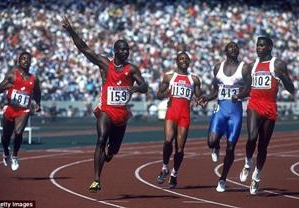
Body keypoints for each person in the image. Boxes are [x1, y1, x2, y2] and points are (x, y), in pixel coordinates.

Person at [62, 16, 148, 192]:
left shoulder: (131, 69)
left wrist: (136, 89)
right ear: (115, 51)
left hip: (121, 113)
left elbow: (145, 86)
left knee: (113, 151)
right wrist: (71, 31)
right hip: (106, 110)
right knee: (101, 139)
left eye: (128, 50)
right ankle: (96, 180)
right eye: (123, 50)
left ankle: (109, 152)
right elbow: (84, 49)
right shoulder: (104, 64)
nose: (126, 52)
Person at [239, 36, 295, 195]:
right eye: (257, 45)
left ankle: (256, 175)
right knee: (251, 137)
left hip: (270, 106)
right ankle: (248, 163)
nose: (258, 48)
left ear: (270, 47)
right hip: (254, 104)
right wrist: (237, 95)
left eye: (262, 45)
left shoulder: (277, 64)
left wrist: (282, 76)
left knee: (263, 145)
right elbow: (247, 88)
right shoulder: (251, 66)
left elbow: (291, 89)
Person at [199, 42, 251, 192]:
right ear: (225, 51)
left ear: (239, 51)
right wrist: (206, 98)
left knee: (230, 148)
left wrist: (239, 95)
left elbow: (249, 88)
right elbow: (215, 90)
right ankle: (215, 147)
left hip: (235, 112)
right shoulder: (217, 68)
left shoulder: (244, 68)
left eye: (236, 47)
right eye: (230, 47)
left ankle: (222, 179)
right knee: (211, 141)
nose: (233, 49)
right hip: (221, 110)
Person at [156, 52, 202, 189]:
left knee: (180, 149)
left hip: (184, 116)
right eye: (181, 59)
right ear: (176, 61)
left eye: (186, 59)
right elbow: (158, 94)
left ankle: (174, 174)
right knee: (168, 140)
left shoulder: (194, 79)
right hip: (172, 113)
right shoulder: (169, 77)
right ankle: (164, 167)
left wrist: (201, 100)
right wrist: (165, 94)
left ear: (189, 62)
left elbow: (199, 96)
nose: (184, 61)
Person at [0, 51, 41, 171]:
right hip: (10, 108)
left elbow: (38, 93)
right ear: (19, 61)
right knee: (5, 137)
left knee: (18, 132)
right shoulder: (12, 75)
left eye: (28, 59)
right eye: (23, 59)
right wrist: (6, 87)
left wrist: (37, 104)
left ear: (31, 62)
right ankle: (6, 152)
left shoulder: (34, 79)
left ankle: (15, 156)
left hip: (23, 110)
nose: (25, 61)